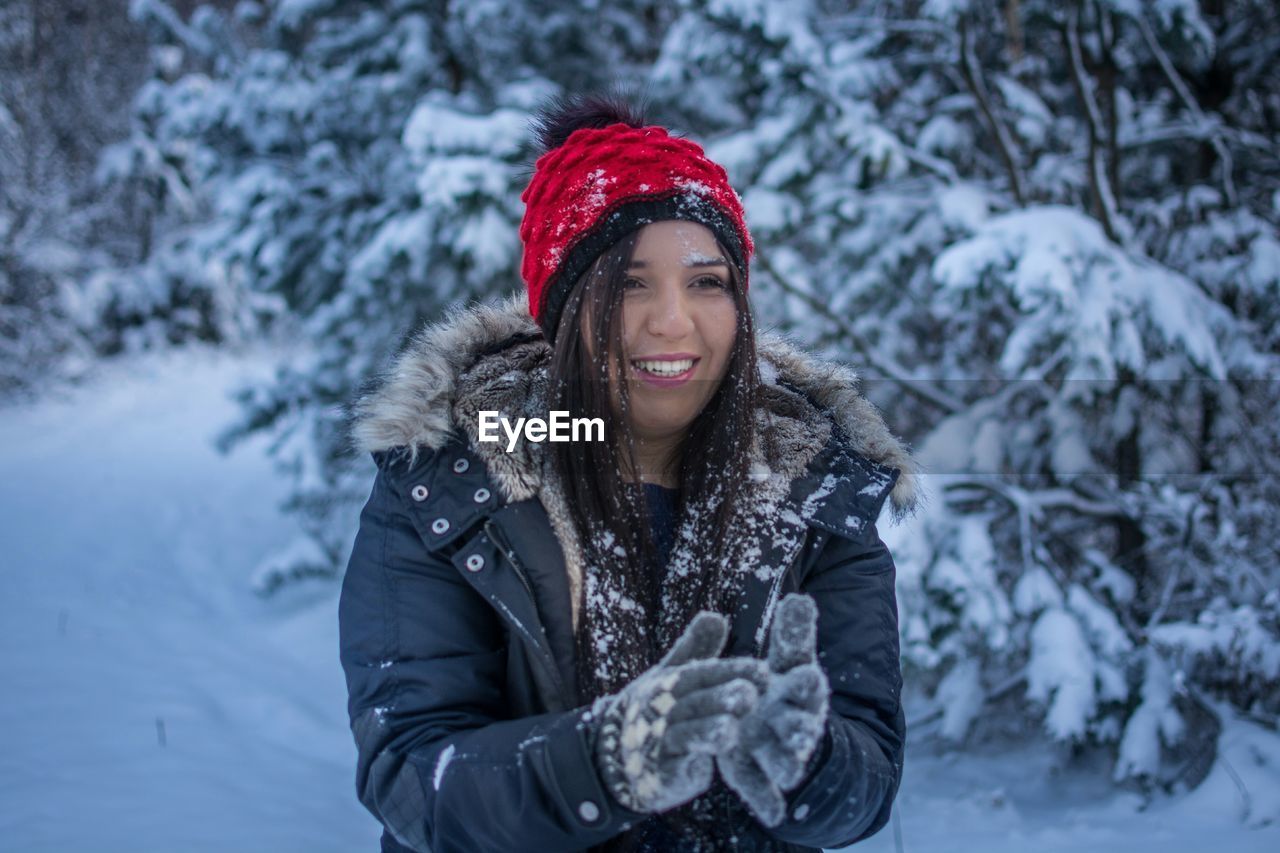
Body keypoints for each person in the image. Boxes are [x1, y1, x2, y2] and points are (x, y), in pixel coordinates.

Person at [338, 90, 921, 853]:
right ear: (565, 309)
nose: (672, 321)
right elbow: (413, 774)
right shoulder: (459, 478)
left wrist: (810, 766)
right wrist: (601, 763)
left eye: (707, 281)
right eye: (631, 283)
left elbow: (869, 776)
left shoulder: (816, 483)